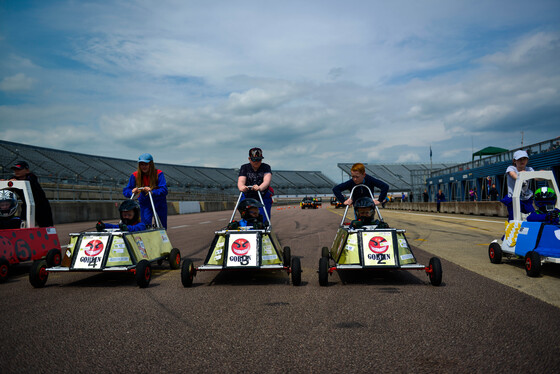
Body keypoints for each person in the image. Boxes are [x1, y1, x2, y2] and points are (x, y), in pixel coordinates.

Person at [123, 153, 168, 229]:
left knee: (162, 226)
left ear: (151, 164)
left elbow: (164, 190)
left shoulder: (158, 173)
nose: (144, 167)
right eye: (141, 164)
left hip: (159, 203)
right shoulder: (135, 175)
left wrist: (152, 192)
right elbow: (126, 191)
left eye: (146, 164)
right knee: (145, 225)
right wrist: (132, 191)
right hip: (145, 203)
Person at [10, 160, 53, 227]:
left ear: (27, 170)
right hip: (27, 205)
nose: (16, 171)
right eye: (15, 170)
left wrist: (15, 182)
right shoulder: (13, 179)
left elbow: (29, 182)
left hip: (41, 206)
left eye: (19, 169)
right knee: (24, 224)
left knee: (46, 226)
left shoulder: (32, 177)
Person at [237, 147, 273, 223]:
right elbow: (241, 180)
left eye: (258, 160)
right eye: (254, 160)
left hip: (262, 194)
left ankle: (263, 226)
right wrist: (241, 187)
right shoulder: (244, 167)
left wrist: (260, 187)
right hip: (248, 195)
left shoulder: (266, 167)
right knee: (245, 213)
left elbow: (267, 180)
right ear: (249, 159)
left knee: (263, 216)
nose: (256, 162)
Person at [502, 150, 535, 221]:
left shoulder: (529, 169)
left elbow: (536, 177)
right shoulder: (511, 168)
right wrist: (521, 175)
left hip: (525, 197)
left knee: (532, 215)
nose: (522, 161)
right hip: (513, 197)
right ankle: (511, 231)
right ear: (514, 161)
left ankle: (530, 230)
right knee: (513, 217)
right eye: (519, 159)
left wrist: (541, 174)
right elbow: (513, 175)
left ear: (527, 160)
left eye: (524, 159)